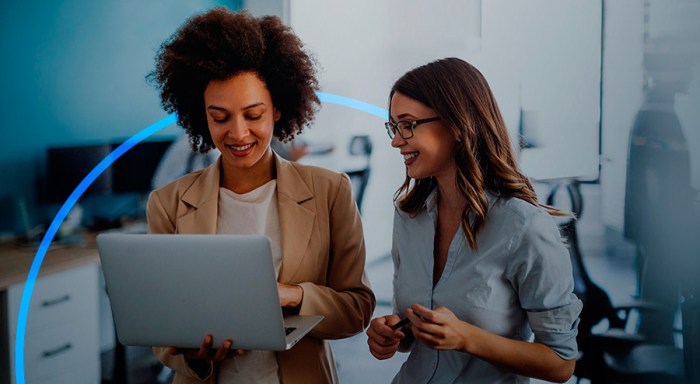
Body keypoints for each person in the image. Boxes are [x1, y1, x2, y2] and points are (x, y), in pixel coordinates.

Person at [146, 8, 375, 384]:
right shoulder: (168, 203)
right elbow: (161, 325)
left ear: (278, 110)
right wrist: (194, 357)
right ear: (201, 117)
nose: (238, 133)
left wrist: (293, 296)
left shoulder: (330, 190)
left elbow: (357, 309)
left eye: (253, 114)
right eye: (220, 118)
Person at [366, 58, 582, 383]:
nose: (396, 140)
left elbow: (560, 363)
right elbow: (412, 328)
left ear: (457, 124)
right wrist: (392, 334)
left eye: (408, 124)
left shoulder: (524, 227)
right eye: (394, 127)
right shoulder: (409, 216)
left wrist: (468, 339)